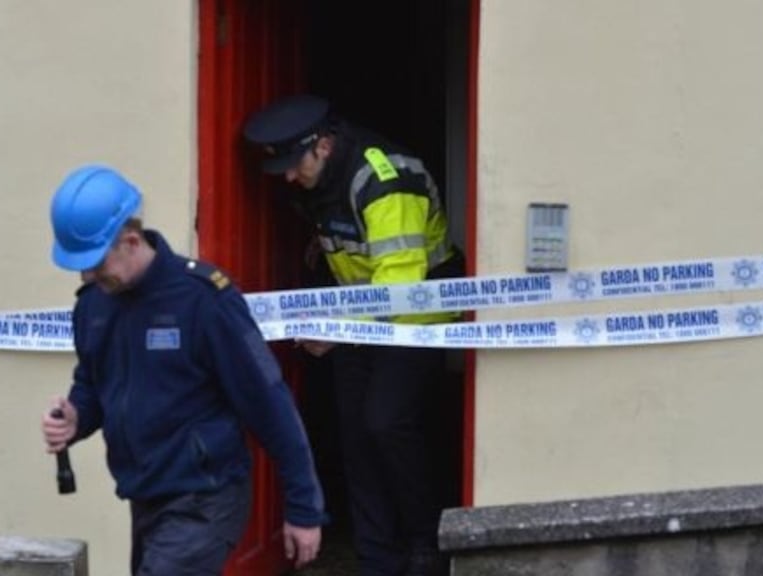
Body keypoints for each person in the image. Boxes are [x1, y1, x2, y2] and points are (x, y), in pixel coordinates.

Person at [40, 164, 325, 575]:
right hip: (145, 493)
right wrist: (75, 418)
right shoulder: (94, 304)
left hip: (206, 496)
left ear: (131, 240)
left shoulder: (205, 301)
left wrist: (304, 507)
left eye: (96, 262)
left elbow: (269, 402)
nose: (87, 274)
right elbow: (91, 383)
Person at [243, 95, 464, 576]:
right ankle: (375, 559)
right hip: (358, 316)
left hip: (416, 320)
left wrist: (339, 335)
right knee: (357, 440)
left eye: (292, 163)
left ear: (323, 145)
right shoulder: (318, 177)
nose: (286, 177)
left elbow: (399, 289)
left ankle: (426, 540)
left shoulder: (387, 183)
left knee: (387, 423)